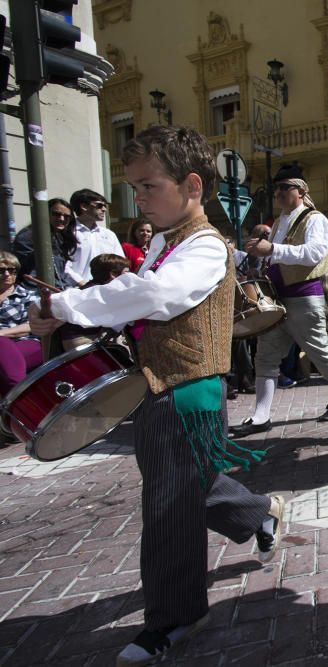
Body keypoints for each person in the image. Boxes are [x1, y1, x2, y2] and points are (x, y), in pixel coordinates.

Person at [27, 125, 283, 666]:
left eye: (148, 186)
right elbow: (139, 296)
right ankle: (260, 515)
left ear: (192, 185)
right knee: (188, 485)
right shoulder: (167, 243)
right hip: (163, 386)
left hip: (188, 392)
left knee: (169, 509)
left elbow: (156, 297)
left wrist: (70, 307)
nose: (138, 198)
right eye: (134, 188)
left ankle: (176, 615)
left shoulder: (207, 245)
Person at [229, 164, 328, 438]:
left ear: (301, 190)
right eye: (277, 189)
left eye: (285, 188)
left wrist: (272, 248)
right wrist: (236, 254)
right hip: (276, 298)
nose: (279, 193)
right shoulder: (279, 223)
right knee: (266, 355)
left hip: (305, 296)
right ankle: (261, 416)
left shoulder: (315, 219)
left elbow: (315, 253)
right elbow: (268, 259)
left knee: (318, 350)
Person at [59, 253, 131, 351]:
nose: (131, 276)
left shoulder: (92, 288)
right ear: (113, 274)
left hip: (84, 336)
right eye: (126, 273)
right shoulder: (101, 291)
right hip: (82, 339)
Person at [11, 198, 77, 289]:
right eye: (56, 214)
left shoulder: (60, 237)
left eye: (66, 216)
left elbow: (60, 272)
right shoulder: (28, 236)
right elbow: (26, 270)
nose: (62, 219)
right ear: (45, 214)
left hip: (57, 289)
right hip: (34, 291)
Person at [0, 252, 41, 396]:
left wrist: (2, 333)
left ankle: (20, 396)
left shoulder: (29, 296)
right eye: (1, 270)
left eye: (11, 270)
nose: (6, 274)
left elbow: (31, 326)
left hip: (26, 342)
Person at [64, 188, 124, 286]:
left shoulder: (109, 234)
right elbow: (62, 265)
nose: (104, 209)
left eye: (105, 206)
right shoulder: (67, 232)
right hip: (76, 291)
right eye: (99, 205)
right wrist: (81, 282)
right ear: (83, 206)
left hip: (107, 291)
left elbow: (120, 263)